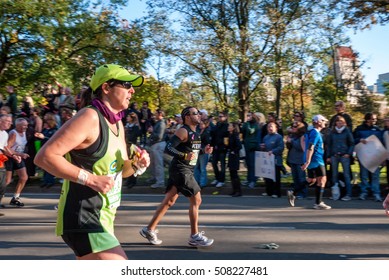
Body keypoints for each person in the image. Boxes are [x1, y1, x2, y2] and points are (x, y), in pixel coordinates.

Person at [34, 63, 149, 260]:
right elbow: (45, 157)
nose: (132, 90)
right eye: (126, 84)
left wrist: (137, 165)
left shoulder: (117, 123)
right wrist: (91, 180)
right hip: (84, 216)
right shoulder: (89, 116)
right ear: (106, 88)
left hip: (105, 216)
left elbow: (121, 172)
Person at [140, 106, 214, 247]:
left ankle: (149, 229)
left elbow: (193, 153)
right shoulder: (183, 130)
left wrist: (204, 151)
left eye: (198, 113)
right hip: (181, 169)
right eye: (195, 113)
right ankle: (194, 236)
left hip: (185, 169)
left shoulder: (195, 133)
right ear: (187, 116)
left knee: (169, 201)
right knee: (196, 199)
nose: (199, 115)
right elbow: (169, 148)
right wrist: (184, 155)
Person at [301, 115, 331, 210]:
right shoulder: (315, 133)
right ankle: (318, 203)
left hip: (312, 159)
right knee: (322, 180)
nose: (324, 122)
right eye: (323, 121)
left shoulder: (310, 132)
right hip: (316, 159)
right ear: (318, 122)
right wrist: (308, 161)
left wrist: (305, 156)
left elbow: (303, 140)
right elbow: (311, 146)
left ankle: (293, 192)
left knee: (311, 179)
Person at [353, 112, 383, 202]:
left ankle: (376, 193)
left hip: (375, 155)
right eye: (373, 119)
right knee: (364, 175)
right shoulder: (359, 129)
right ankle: (364, 192)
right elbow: (352, 140)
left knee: (375, 175)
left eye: (375, 119)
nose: (375, 120)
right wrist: (360, 140)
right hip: (363, 155)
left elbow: (381, 142)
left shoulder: (377, 129)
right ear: (367, 120)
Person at [326, 115, 355, 201]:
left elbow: (352, 143)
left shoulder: (347, 131)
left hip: (344, 155)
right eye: (338, 121)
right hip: (334, 155)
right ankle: (335, 194)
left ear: (344, 123)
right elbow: (329, 144)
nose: (339, 123)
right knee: (334, 175)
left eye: (341, 121)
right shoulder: (332, 132)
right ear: (335, 123)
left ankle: (348, 194)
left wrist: (348, 153)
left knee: (346, 175)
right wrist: (328, 156)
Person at [5, 118, 30, 207]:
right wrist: (18, 154)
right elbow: (7, 148)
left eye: (26, 125)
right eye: (24, 125)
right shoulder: (13, 134)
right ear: (17, 125)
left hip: (18, 157)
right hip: (9, 158)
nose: (26, 127)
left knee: (24, 177)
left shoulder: (24, 132)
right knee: (7, 181)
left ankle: (15, 198)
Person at [0, 114, 22, 208]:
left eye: (10, 121)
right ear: (0, 121)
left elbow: (5, 147)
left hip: (1, 161)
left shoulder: (5, 134)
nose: (10, 123)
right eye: (8, 121)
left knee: (2, 184)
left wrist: (14, 155)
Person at [34, 112, 59, 188]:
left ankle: (50, 181)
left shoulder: (54, 130)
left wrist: (44, 137)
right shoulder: (45, 130)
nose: (44, 124)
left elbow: (53, 139)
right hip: (43, 149)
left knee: (49, 166)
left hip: (50, 150)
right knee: (44, 166)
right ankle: (45, 180)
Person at [286, 121, 307, 206]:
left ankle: (303, 193)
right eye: (292, 127)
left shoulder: (303, 136)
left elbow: (301, 147)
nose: (293, 128)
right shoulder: (292, 136)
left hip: (300, 160)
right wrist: (288, 142)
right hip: (292, 159)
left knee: (301, 177)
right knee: (295, 178)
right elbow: (289, 147)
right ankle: (296, 192)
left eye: (295, 127)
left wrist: (292, 141)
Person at [261, 122, 284, 198]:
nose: (270, 128)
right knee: (267, 176)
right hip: (267, 160)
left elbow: (281, 148)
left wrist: (273, 151)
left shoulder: (279, 137)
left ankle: (276, 192)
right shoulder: (266, 137)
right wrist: (262, 147)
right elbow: (263, 146)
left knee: (276, 177)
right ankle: (269, 191)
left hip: (275, 159)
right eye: (268, 127)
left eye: (271, 127)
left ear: (276, 128)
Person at [241, 112, 261, 188]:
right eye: (247, 116)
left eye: (249, 116)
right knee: (248, 164)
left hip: (253, 147)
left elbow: (252, 131)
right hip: (247, 147)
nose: (248, 117)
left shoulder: (256, 125)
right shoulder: (246, 124)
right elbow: (242, 131)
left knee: (252, 165)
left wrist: (257, 146)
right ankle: (249, 179)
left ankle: (253, 180)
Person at [148, 109, 167, 189]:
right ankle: (154, 178)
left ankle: (160, 182)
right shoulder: (158, 123)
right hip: (155, 145)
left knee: (158, 164)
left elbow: (159, 136)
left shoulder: (162, 123)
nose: (155, 115)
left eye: (156, 114)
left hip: (158, 145)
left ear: (160, 114)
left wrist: (152, 132)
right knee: (153, 164)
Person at [210, 111, 229, 188]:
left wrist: (224, 146)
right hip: (215, 147)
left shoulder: (227, 125)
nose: (220, 118)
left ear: (225, 117)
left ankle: (222, 180)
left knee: (222, 165)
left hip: (222, 148)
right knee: (214, 163)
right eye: (219, 116)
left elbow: (226, 138)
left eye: (221, 116)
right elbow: (214, 135)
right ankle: (217, 178)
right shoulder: (217, 125)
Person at [194, 119, 211, 188]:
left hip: (203, 151)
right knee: (195, 167)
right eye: (200, 124)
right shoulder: (198, 131)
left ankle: (202, 183)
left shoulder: (207, 132)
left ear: (206, 124)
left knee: (202, 167)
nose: (200, 125)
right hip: (196, 151)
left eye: (202, 124)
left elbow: (208, 143)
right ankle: (196, 181)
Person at [227, 122, 243, 197]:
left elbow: (239, 146)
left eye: (230, 126)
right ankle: (234, 190)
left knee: (234, 174)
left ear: (233, 127)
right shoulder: (230, 135)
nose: (228, 127)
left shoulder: (235, 136)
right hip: (231, 156)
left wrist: (234, 151)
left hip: (234, 156)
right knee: (232, 174)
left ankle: (238, 191)